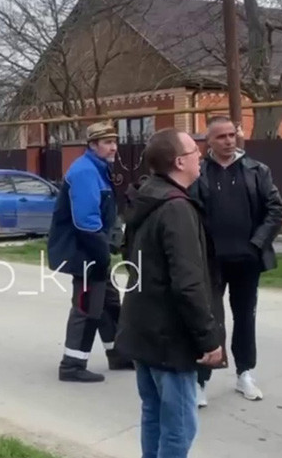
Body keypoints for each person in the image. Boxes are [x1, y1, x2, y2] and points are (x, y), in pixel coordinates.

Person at [116, 128, 224, 458]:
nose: (201, 156)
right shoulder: (176, 208)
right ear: (179, 162)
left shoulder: (146, 197)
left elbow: (129, 259)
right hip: (169, 338)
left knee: (154, 414)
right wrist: (208, 338)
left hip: (143, 328)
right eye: (194, 151)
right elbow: (188, 283)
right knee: (179, 426)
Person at [190, 115, 282, 404]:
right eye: (221, 136)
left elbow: (276, 211)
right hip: (211, 260)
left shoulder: (257, 170)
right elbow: (189, 211)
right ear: (209, 141)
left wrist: (257, 243)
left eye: (232, 135)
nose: (229, 141)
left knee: (245, 317)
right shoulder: (198, 172)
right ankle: (201, 380)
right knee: (209, 318)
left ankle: (245, 373)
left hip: (247, 260)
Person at [47, 121, 132, 382]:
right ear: (93, 145)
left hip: (92, 249)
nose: (113, 147)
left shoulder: (98, 168)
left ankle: (119, 354)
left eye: (115, 141)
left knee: (108, 302)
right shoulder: (85, 171)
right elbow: (86, 221)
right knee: (87, 306)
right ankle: (72, 365)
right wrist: (102, 253)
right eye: (107, 142)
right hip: (84, 250)